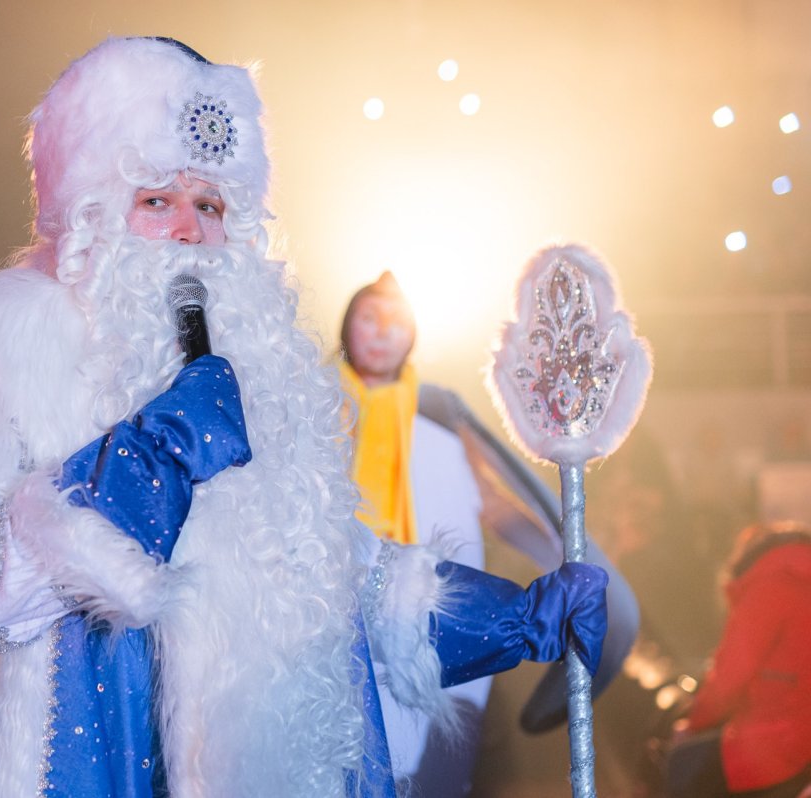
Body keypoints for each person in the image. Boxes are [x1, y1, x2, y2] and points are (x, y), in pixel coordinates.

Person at [0, 37, 609, 798]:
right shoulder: (7, 359)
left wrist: (517, 617)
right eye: (157, 200)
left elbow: (341, 575)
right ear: (91, 213)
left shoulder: (255, 373)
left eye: (210, 205)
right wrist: (154, 456)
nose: (191, 231)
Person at [336, 273, 640, 794]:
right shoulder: (315, 402)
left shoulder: (439, 412)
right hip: (338, 615)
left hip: (445, 623)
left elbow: (495, 502)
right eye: (370, 318)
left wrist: (564, 556)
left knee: (431, 774)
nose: (383, 332)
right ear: (347, 326)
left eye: (396, 321)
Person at [668, 521, 811, 798]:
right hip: (799, 739)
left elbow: (730, 678)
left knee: (682, 761)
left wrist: (692, 724)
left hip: (780, 743)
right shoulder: (797, 576)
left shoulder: (770, 583)